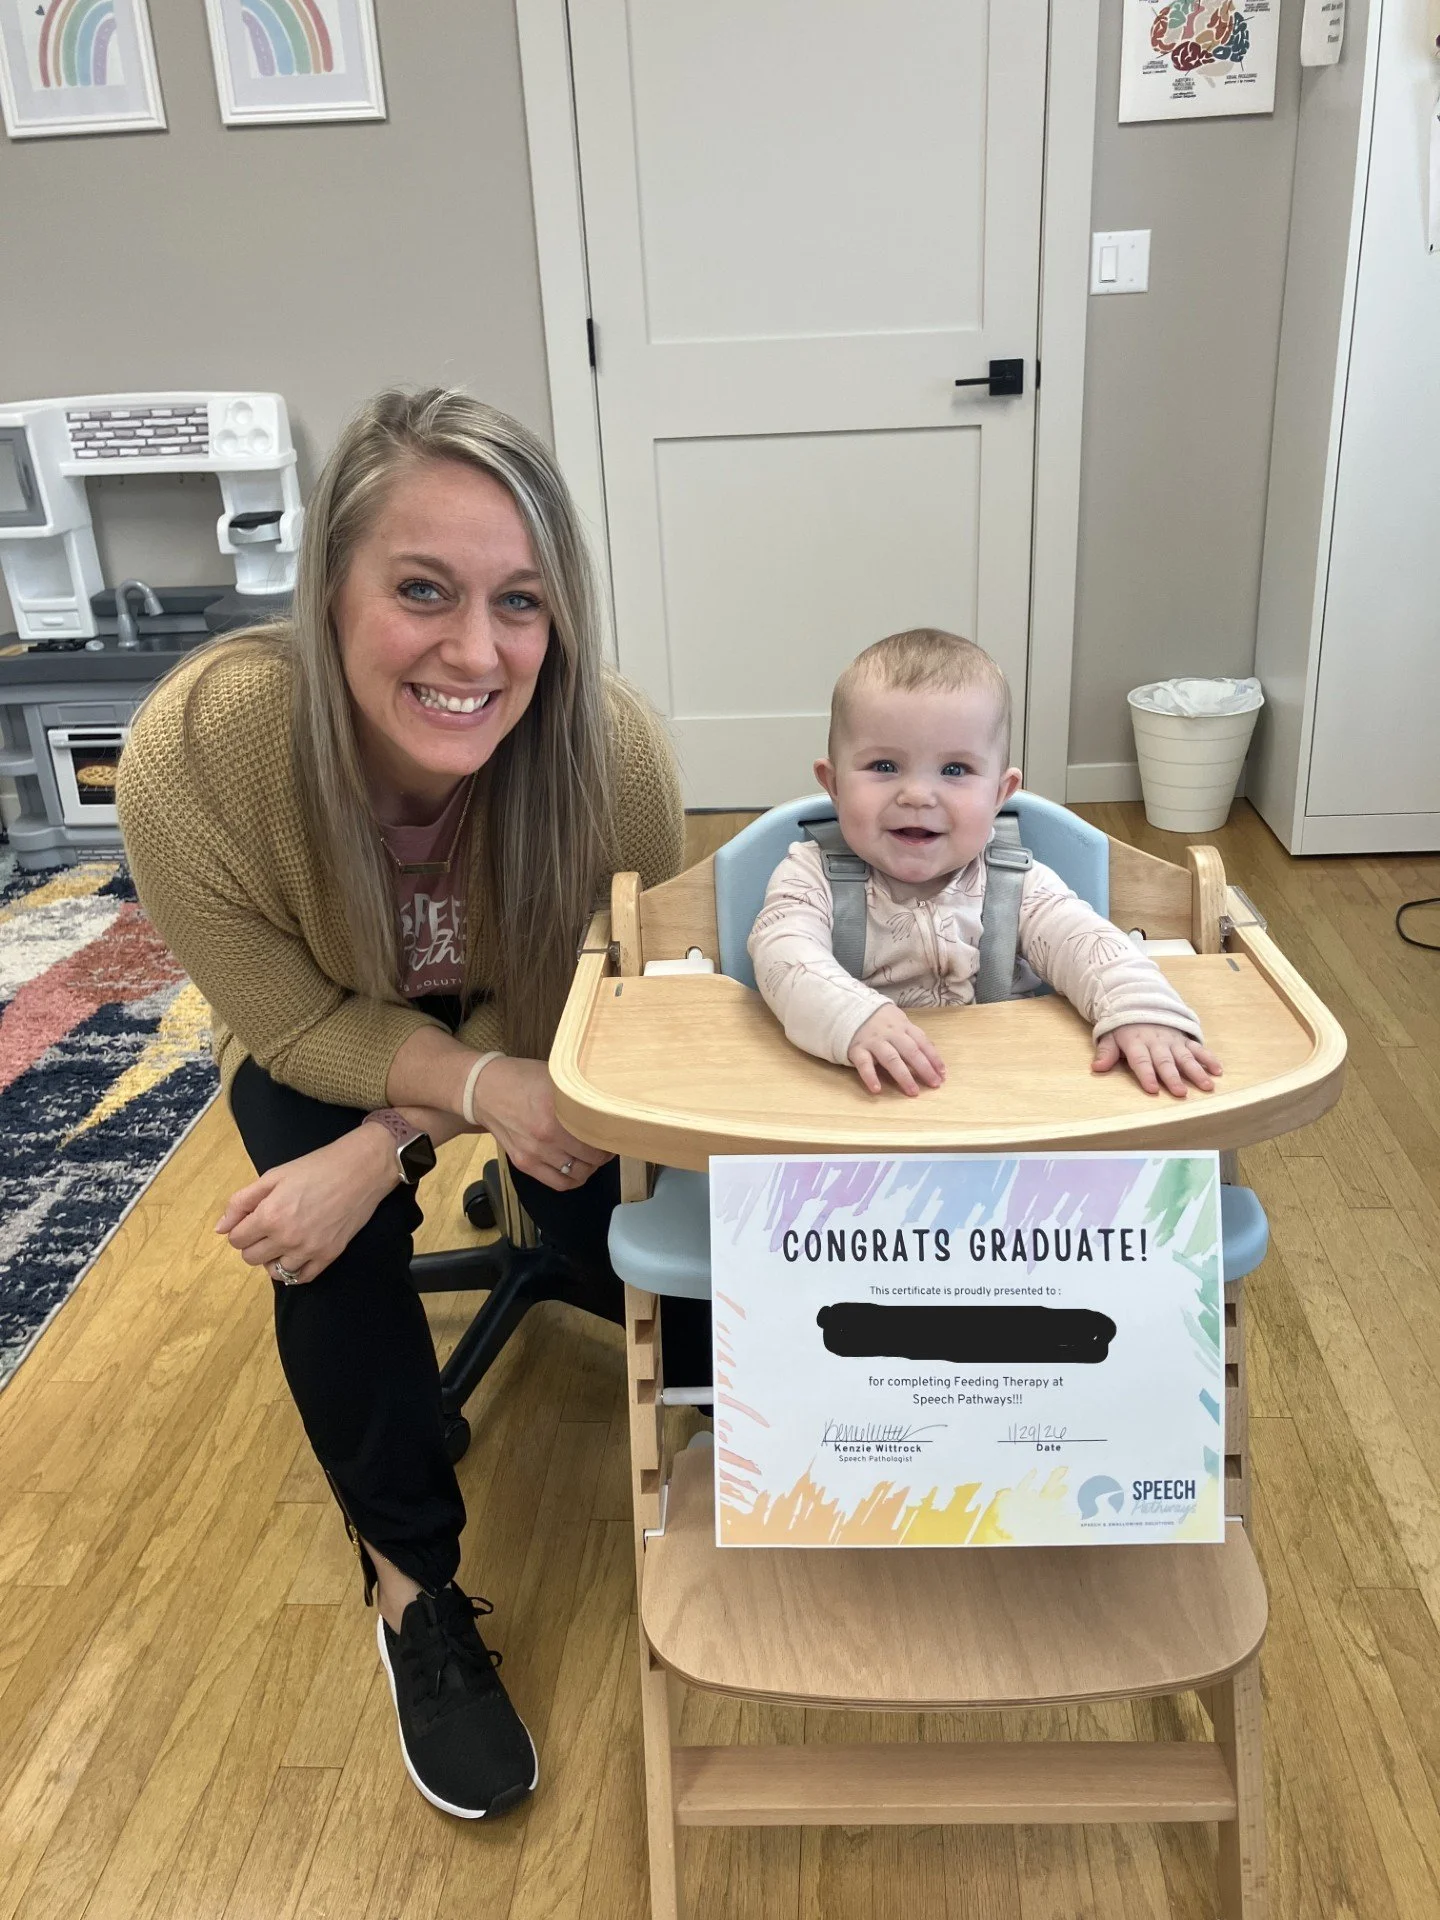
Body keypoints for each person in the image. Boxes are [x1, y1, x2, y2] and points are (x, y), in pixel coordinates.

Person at [116, 388, 707, 1822]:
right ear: (329, 595)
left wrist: (408, 1136)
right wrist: (409, 1126)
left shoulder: (608, 756)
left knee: (622, 1206)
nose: (475, 651)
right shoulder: (197, 756)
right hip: (322, 1029)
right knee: (323, 1246)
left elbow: (604, 990)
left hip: (540, 1016)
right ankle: (410, 1589)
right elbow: (293, 1020)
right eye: (422, 591)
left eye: (522, 602)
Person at [748, 628, 1224, 1099]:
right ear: (832, 784)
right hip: (862, 1096)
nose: (916, 794)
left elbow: (1086, 943)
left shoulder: (1016, 883)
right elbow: (783, 954)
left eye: (955, 770)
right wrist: (853, 1018)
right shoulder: (810, 876)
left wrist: (1140, 1009)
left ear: (1000, 794)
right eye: (884, 766)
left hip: (1002, 1097)